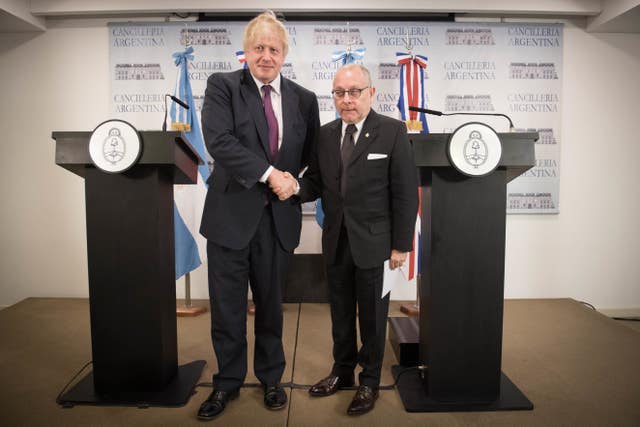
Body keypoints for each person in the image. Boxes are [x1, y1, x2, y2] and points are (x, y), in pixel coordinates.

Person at [197, 11, 320, 420]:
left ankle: (271, 379)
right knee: (228, 309)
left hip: (277, 223)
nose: (266, 55)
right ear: (246, 52)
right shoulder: (223, 87)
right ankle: (227, 384)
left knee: (271, 308)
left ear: (284, 54)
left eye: (274, 48)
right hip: (230, 220)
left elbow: (308, 160)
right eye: (258, 48)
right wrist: (272, 175)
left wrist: (293, 184)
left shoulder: (304, 99)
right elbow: (220, 142)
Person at [279, 63, 418, 415]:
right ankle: (342, 372)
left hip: (376, 244)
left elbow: (404, 193)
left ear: (371, 93)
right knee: (340, 314)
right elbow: (315, 182)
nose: (346, 100)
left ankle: (369, 380)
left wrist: (401, 245)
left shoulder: (392, 131)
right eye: (339, 93)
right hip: (336, 241)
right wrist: (294, 186)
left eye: (354, 92)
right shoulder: (325, 135)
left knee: (372, 317)